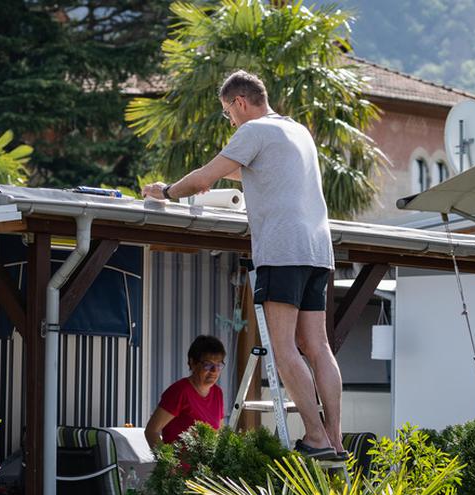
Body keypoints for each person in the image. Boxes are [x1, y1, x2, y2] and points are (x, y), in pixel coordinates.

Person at [143, 70, 345, 460]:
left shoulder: (253, 132)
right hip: (318, 250)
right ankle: (335, 437)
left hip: (283, 250)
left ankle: (315, 437)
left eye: (227, 113)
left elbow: (204, 178)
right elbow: (248, 172)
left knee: (284, 346)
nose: (229, 121)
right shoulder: (296, 131)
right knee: (317, 345)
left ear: (239, 102)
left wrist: (165, 191)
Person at [146, 335, 227, 449]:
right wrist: (169, 463)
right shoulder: (179, 391)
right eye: (208, 364)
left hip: (208, 466)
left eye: (218, 365)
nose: (214, 371)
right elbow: (151, 431)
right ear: (192, 363)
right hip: (179, 466)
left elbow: (219, 432)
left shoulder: (218, 393)